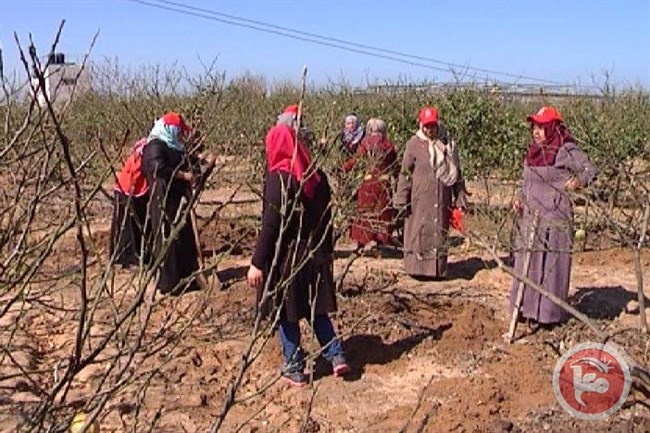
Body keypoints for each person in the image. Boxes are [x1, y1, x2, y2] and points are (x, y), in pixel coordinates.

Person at [247, 104, 350, 387]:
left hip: (287, 258)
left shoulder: (278, 178)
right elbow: (327, 217)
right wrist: (327, 251)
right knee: (316, 308)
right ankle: (337, 356)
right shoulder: (315, 176)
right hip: (314, 254)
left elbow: (271, 225)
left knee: (285, 311)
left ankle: (294, 367)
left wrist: (257, 262)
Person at [510, 106, 598, 325]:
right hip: (532, 219)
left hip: (555, 219)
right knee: (527, 265)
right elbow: (526, 182)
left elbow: (589, 169)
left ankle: (547, 316)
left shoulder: (565, 149)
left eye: (542, 127)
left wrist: (576, 182)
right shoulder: (533, 152)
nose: (536, 131)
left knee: (550, 268)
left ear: (552, 128)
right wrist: (519, 198)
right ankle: (524, 309)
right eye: (535, 127)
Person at [394, 106, 469, 280]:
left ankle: (437, 270)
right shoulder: (413, 144)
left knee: (438, 231)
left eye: (433, 126)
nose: (429, 130)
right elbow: (405, 173)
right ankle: (417, 269)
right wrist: (401, 199)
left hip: (441, 198)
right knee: (418, 231)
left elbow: (456, 173)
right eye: (426, 126)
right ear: (421, 125)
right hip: (419, 200)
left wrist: (459, 198)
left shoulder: (447, 145)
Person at [141, 112, 201, 296]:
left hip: (179, 200)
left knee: (183, 237)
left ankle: (187, 278)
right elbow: (157, 167)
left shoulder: (175, 146)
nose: (181, 135)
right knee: (167, 237)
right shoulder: (155, 145)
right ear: (170, 129)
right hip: (163, 199)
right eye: (180, 131)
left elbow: (187, 162)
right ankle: (169, 283)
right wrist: (183, 176)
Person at [342, 118, 398, 250]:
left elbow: (355, 161)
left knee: (364, 212)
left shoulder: (365, 143)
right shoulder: (388, 144)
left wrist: (343, 167)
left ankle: (362, 239)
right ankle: (379, 239)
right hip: (383, 184)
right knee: (382, 214)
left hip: (368, 182)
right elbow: (395, 166)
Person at [109, 137, 150, 268]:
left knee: (134, 224)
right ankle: (126, 259)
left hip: (133, 191)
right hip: (127, 191)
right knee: (127, 226)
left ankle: (134, 256)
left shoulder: (146, 148)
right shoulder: (145, 151)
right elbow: (137, 174)